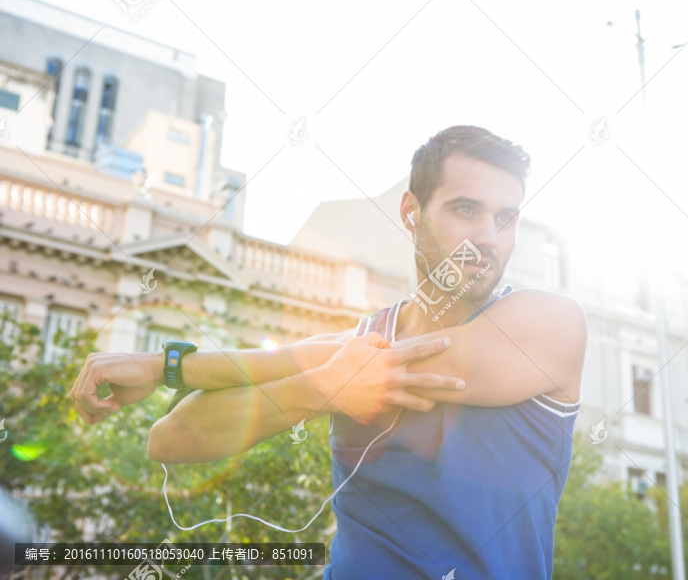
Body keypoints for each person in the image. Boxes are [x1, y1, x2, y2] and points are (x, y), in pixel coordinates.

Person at [71, 125, 587, 579]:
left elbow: (348, 359)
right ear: (411, 212)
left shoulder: (553, 324)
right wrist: (314, 386)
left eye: (506, 218)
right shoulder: (356, 340)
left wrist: (168, 367)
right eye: (466, 210)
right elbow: (171, 439)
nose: (488, 237)